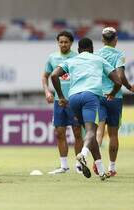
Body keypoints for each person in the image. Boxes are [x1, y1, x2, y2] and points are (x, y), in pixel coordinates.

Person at [51, 37, 122, 181]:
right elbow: (118, 81)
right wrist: (113, 93)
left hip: (73, 98)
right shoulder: (98, 59)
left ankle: (101, 171)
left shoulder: (72, 60)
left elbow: (53, 75)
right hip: (91, 97)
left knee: (90, 135)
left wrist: (60, 96)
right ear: (92, 49)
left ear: (78, 50)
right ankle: (83, 154)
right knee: (91, 131)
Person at [42, 31, 83, 174]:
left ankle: (79, 164)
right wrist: (47, 91)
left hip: (74, 100)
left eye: (66, 42)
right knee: (59, 132)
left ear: (71, 43)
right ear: (58, 42)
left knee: (77, 132)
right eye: (61, 42)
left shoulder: (77, 58)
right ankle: (64, 166)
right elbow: (45, 76)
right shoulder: (52, 57)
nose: (63, 44)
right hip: (59, 101)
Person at [95, 27, 134, 176]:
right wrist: (129, 86)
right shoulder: (119, 54)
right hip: (115, 97)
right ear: (116, 40)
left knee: (99, 130)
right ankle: (111, 168)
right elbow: (120, 75)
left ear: (103, 39)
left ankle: (97, 163)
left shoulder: (96, 55)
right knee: (113, 135)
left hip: (99, 95)